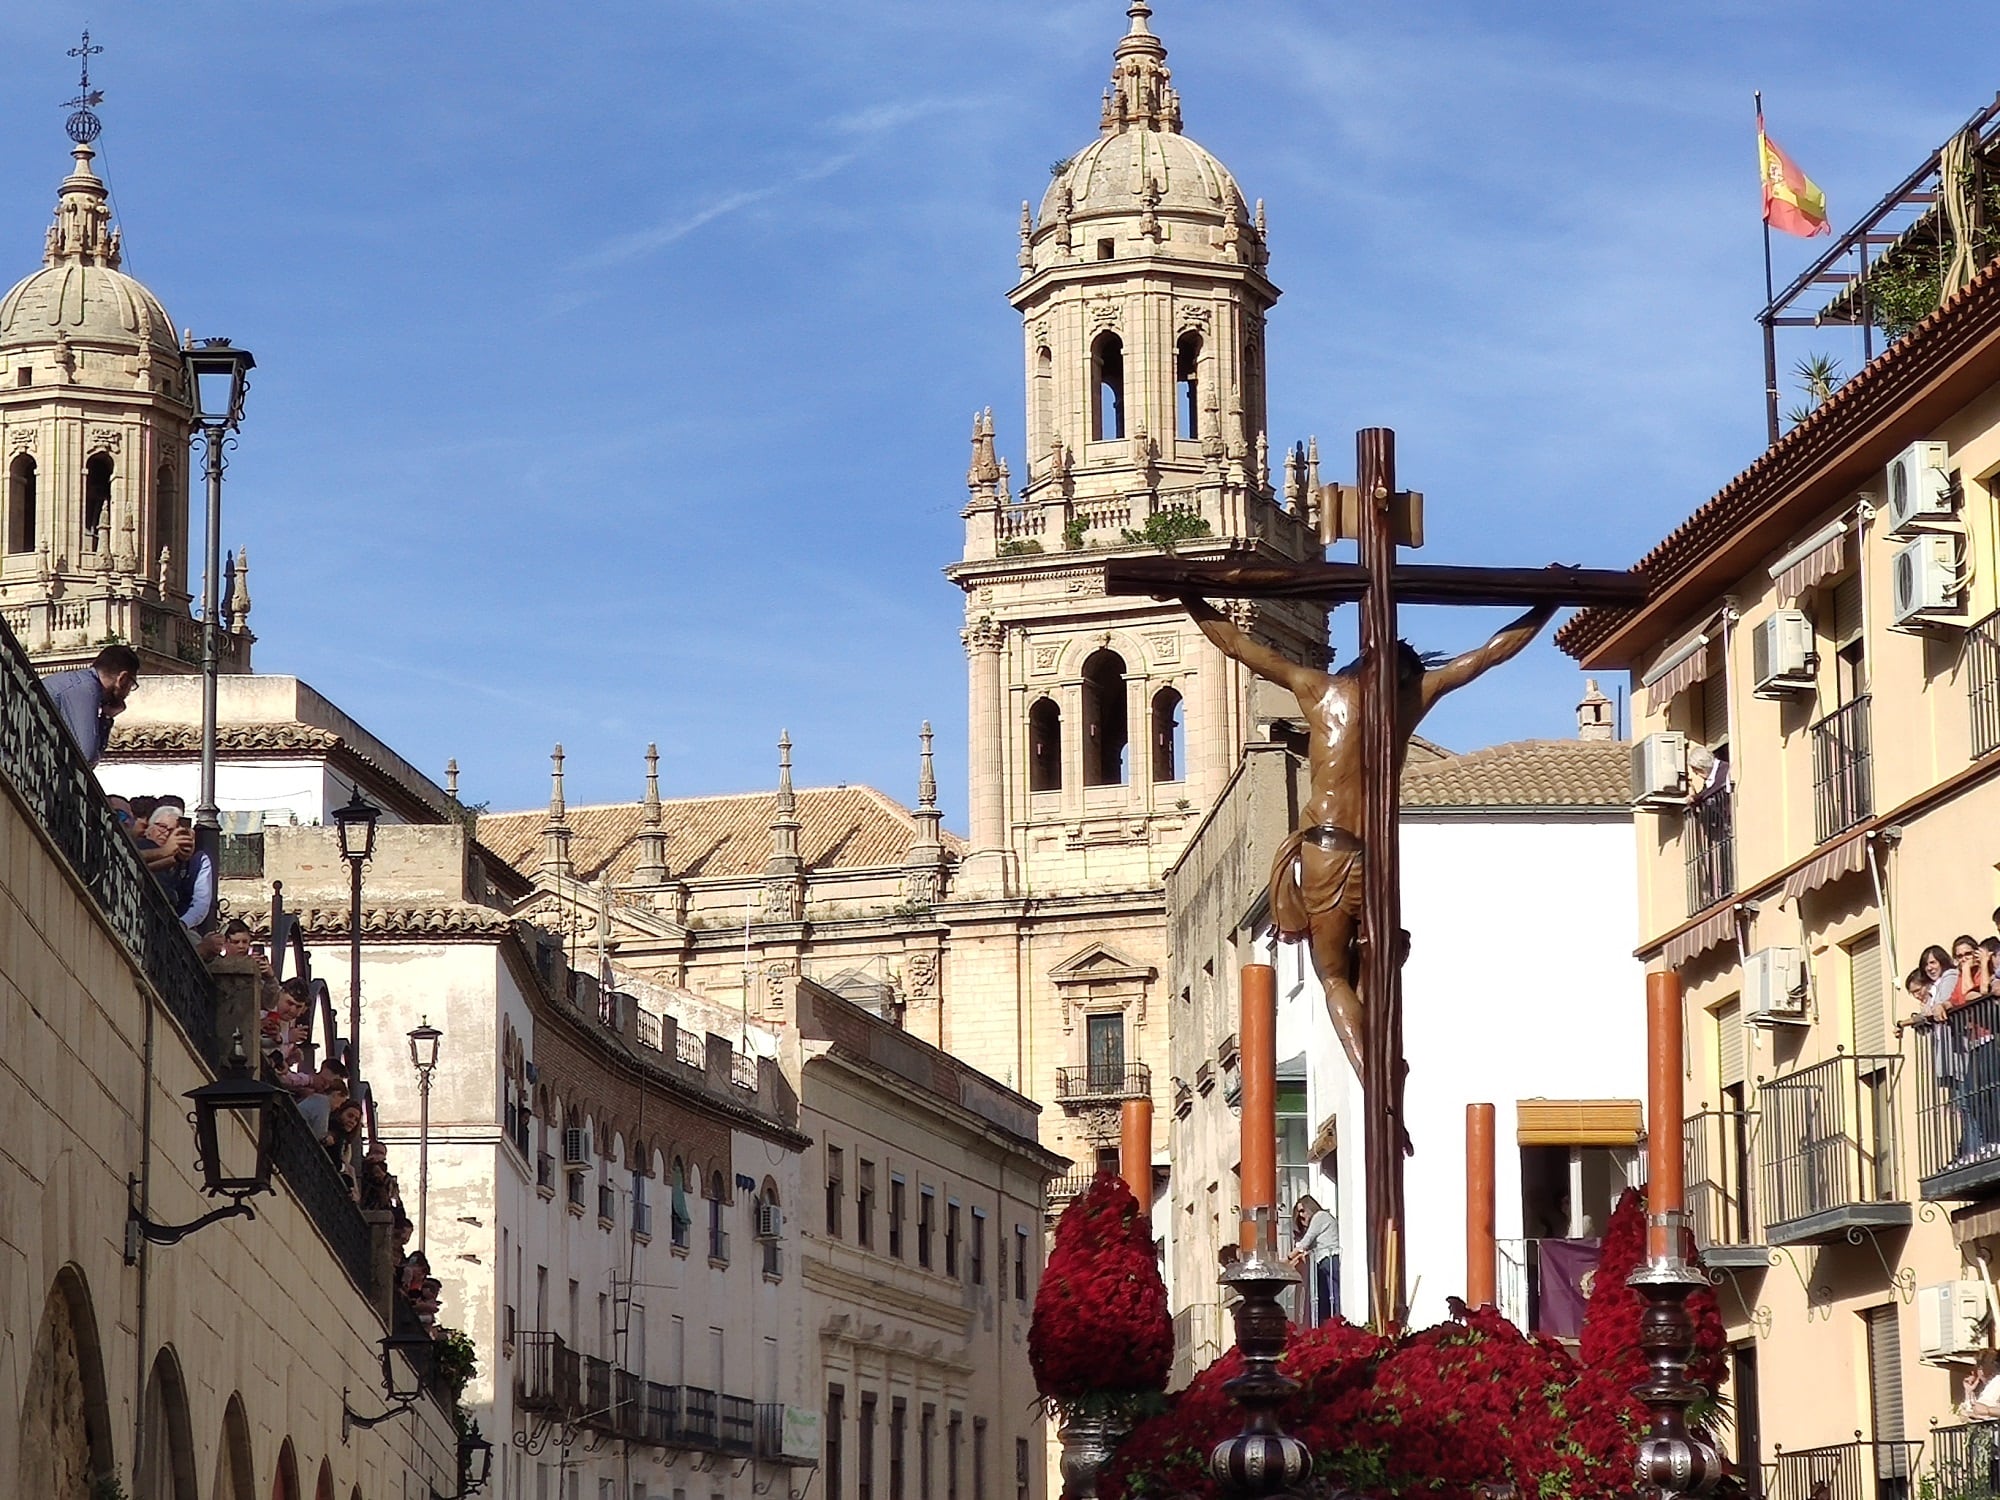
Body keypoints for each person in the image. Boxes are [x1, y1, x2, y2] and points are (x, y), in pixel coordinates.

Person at [1172, 590, 1555, 1080]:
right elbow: (1491, 653)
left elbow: (1237, 646)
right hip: (1375, 858)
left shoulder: (1318, 689)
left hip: (1326, 850)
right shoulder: (1409, 700)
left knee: (1334, 977)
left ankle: (1372, 1076)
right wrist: (1545, 605)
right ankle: (1383, 1069)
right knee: (1377, 960)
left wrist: (1189, 594)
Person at [42, 643, 140, 767]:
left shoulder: (80, 683)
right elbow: (88, 758)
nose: (128, 693)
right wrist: (106, 719)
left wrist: (107, 716)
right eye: (132, 685)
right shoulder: (86, 690)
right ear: (123, 679)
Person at [1289, 1195, 1339, 1324]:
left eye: (1302, 1210)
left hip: (1329, 1259)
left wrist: (1287, 1259)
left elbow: (1305, 1242)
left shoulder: (1320, 1216)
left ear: (1310, 1207)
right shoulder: (1319, 1219)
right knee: (1325, 1298)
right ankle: (1328, 1324)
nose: (1301, 1215)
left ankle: (1336, 1322)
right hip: (1323, 1262)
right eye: (1299, 1212)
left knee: (1332, 1296)